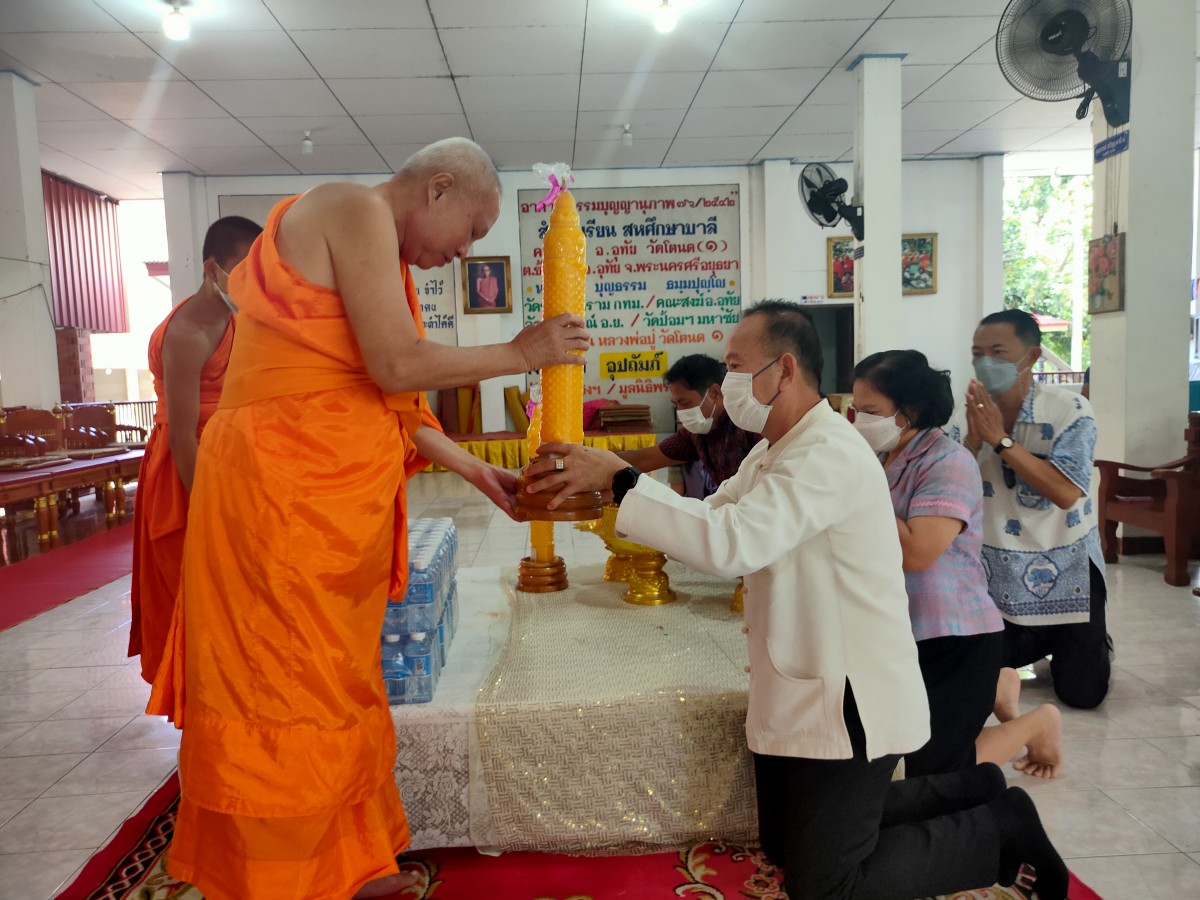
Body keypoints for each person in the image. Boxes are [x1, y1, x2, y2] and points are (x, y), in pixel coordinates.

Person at [145, 137, 590, 900]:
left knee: (339, 683)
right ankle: (279, 879)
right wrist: (521, 351)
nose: (463, 254)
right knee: (284, 687)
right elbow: (397, 366)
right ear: (438, 189)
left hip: (322, 502)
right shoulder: (352, 208)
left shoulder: (376, 248)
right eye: (474, 234)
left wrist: (477, 469)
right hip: (278, 499)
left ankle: (344, 863)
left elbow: (379, 402)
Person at [525, 301, 1074, 900]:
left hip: (847, 692)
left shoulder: (827, 453)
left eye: (736, 366)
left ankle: (998, 832)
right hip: (800, 679)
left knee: (827, 886)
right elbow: (710, 517)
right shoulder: (773, 450)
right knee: (787, 846)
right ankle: (972, 791)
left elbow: (731, 545)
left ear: (783, 370)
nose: (727, 382)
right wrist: (615, 489)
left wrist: (619, 479)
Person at [851, 350, 1063, 780]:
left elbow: (918, 552)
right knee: (898, 746)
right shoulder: (882, 459)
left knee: (940, 770)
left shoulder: (947, 462)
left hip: (953, 632)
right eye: (854, 410)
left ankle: (1036, 723)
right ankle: (999, 688)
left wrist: (856, 489)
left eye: (869, 412)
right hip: (899, 630)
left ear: (909, 411)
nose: (858, 422)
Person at [128, 215, 262, 686]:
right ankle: (197, 722)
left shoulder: (233, 316)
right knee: (194, 591)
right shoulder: (186, 332)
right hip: (185, 472)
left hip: (223, 459)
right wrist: (210, 509)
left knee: (233, 597)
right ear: (212, 269)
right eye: (242, 270)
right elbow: (184, 437)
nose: (252, 282)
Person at [958, 309, 1110, 710]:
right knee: (977, 676)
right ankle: (1040, 640)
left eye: (997, 351)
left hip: (1068, 562)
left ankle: (1086, 638)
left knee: (1083, 695)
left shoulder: (1069, 410)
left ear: (1032, 356)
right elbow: (951, 483)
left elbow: (1064, 492)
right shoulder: (967, 413)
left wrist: (1000, 441)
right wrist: (974, 441)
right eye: (977, 352)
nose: (984, 361)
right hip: (998, 566)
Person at [615, 354, 758, 499]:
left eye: (685, 402)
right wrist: (598, 461)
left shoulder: (748, 424)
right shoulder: (695, 434)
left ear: (714, 393)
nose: (680, 411)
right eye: (676, 404)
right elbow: (646, 458)